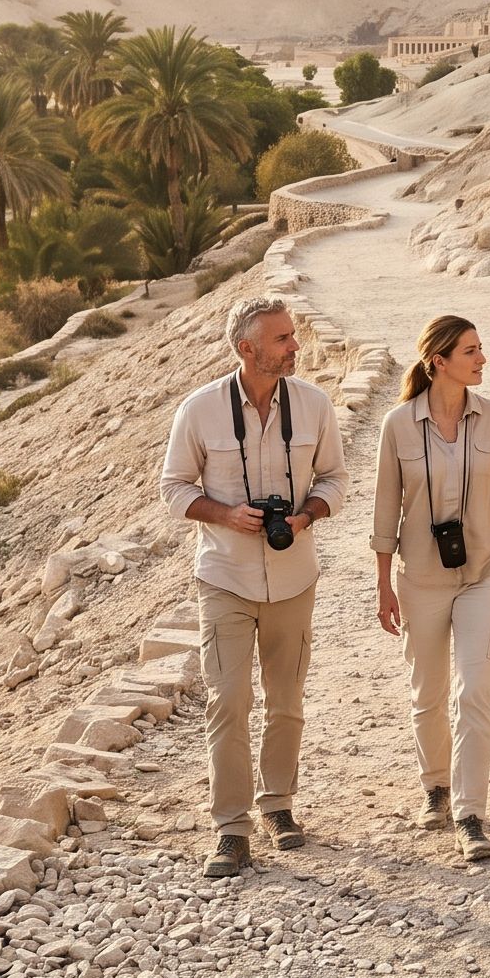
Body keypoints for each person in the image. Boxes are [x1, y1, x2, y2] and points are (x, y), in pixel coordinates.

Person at [158, 296, 347, 878]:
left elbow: (336, 477)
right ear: (247, 349)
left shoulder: (314, 405)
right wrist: (224, 514)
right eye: (284, 339)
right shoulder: (199, 410)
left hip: (294, 578)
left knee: (286, 702)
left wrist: (307, 514)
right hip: (225, 578)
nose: (295, 346)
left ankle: (280, 807)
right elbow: (172, 488)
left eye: (292, 336)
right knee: (229, 700)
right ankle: (232, 828)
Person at [372, 315, 490, 861]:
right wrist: (383, 584)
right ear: (438, 362)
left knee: (474, 692)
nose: (482, 359)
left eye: (481, 349)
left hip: (485, 570)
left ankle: (470, 812)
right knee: (429, 694)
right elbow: (384, 510)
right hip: (419, 576)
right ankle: (435, 786)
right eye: (471, 351)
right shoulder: (398, 425)